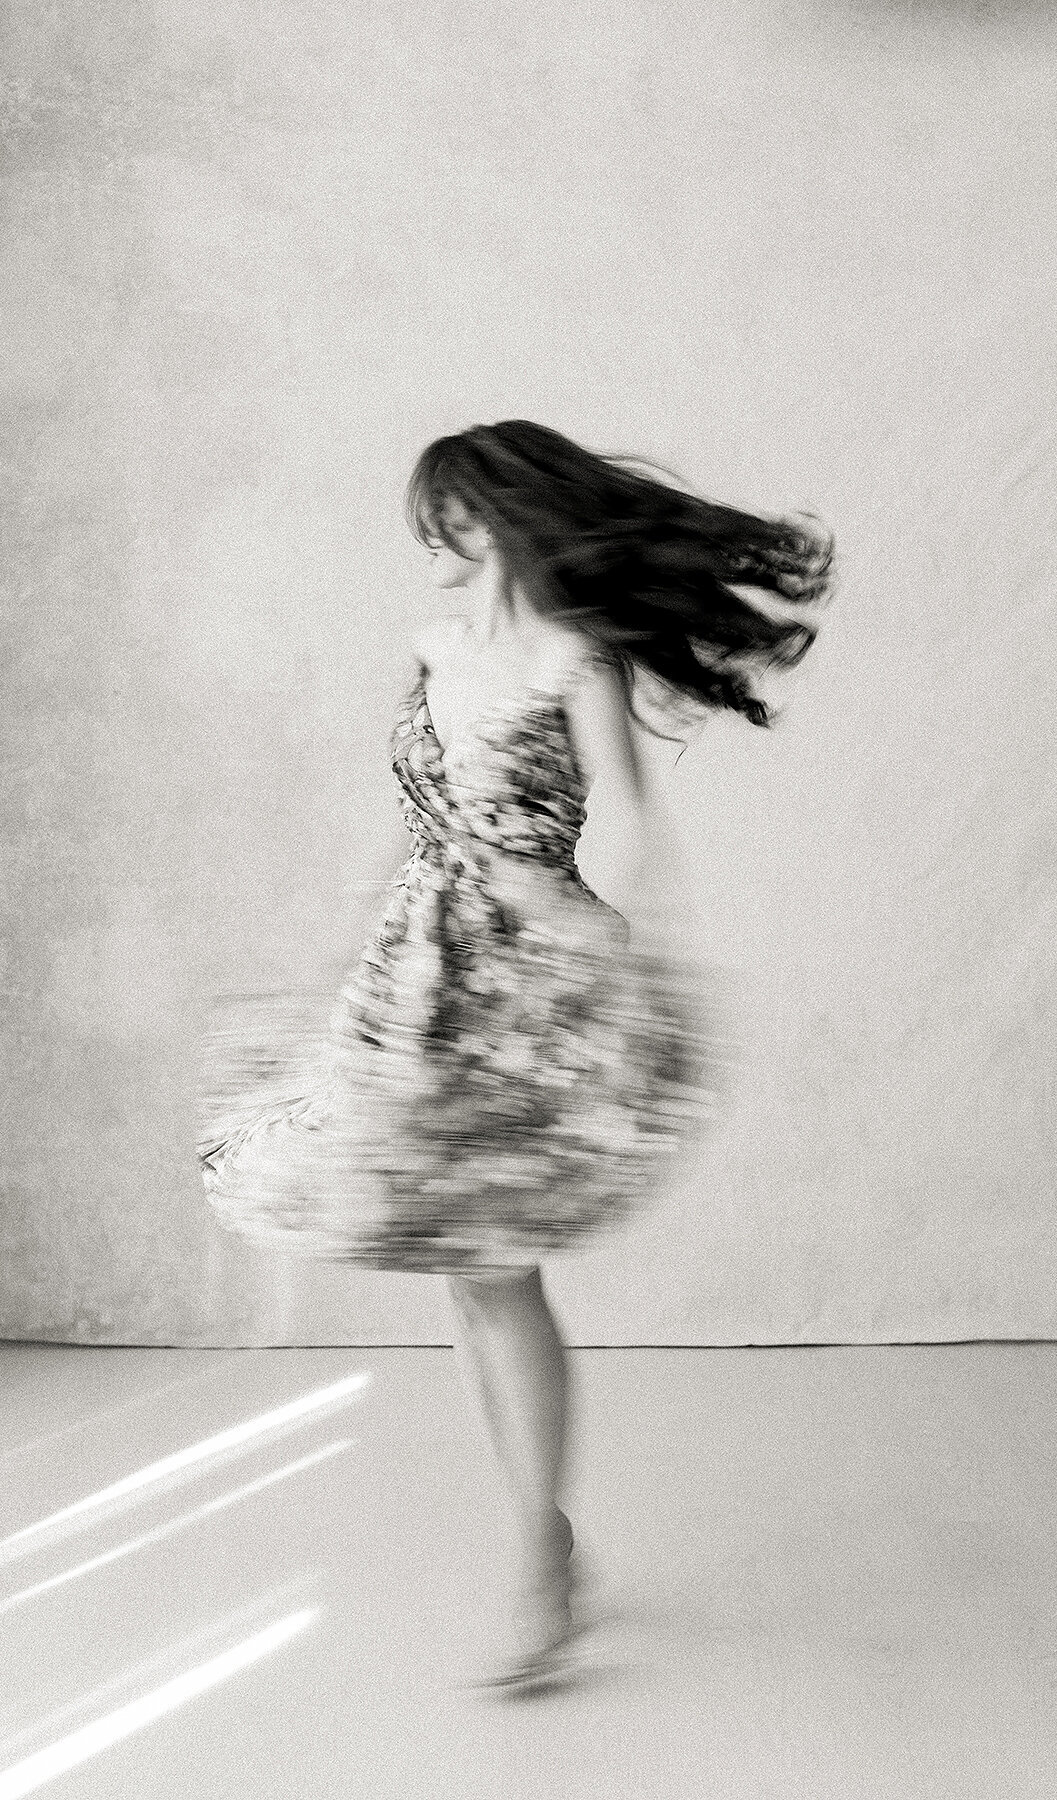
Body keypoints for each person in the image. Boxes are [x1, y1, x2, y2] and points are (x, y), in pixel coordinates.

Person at [199, 419, 832, 1691]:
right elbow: (418, 817)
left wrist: (608, 934)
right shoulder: (432, 647)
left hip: (520, 974)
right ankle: (545, 1543)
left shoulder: (577, 657)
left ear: (496, 518)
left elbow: (632, 828)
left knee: (497, 1267)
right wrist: (358, 962)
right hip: (417, 971)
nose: (432, 537)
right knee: (468, 1272)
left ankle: (543, 1557)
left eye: (449, 512)